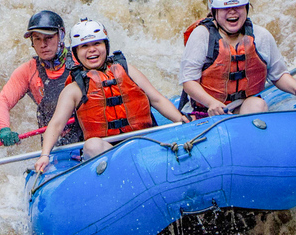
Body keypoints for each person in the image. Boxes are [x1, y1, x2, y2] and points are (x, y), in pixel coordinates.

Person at [34, 19, 190, 173]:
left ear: (106, 46)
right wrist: (44, 154)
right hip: (108, 152)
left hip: (143, 143)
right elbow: (56, 124)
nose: (92, 50)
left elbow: (157, 99)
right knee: (91, 145)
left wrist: (181, 120)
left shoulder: (127, 70)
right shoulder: (74, 89)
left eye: (97, 44)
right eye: (84, 46)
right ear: (75, 52)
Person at [180, 0, 296, 117]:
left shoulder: (261, 36)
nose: (232, 12)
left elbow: (278, 74)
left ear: (246, 7)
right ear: (214, 11)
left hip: (242, 107)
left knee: (257, 104)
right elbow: (189, 81)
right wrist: (211, 103)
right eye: (225, 8)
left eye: (238, 7)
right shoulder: (202, 35)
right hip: (206, 111)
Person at [0, 10, 83, 146]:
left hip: (88, 137)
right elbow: (2, 103)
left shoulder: (81, 59)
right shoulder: (28, 71)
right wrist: (4, 129)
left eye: (48, 38)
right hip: (54, 145)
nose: (43, 45)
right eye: (37, 39)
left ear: (61, 35)